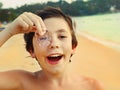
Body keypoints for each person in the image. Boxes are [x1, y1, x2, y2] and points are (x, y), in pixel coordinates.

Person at [0, 7, 104, 90]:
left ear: (73, 46)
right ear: (31, 50)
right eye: (43, 37)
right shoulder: (22, 81)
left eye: (62, 36)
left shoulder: (92, 86)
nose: (54, 44)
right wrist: (9, 31)